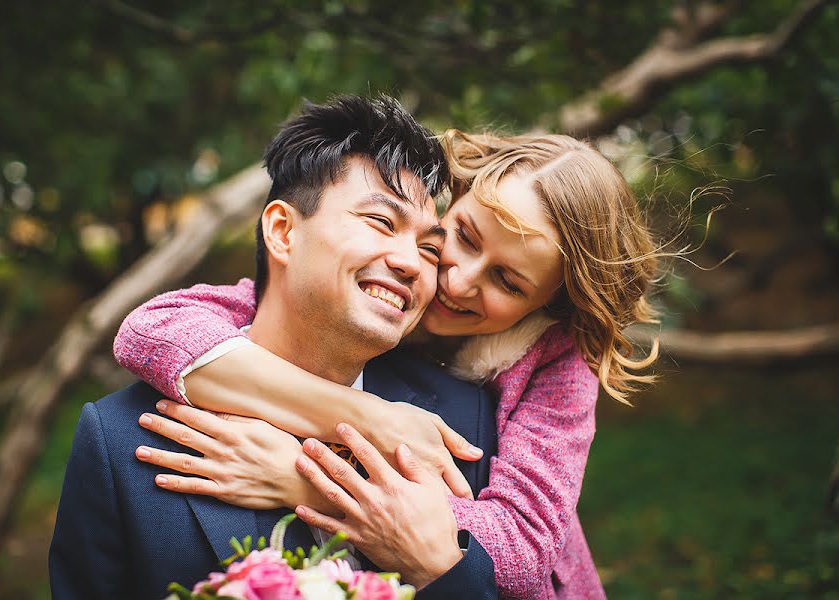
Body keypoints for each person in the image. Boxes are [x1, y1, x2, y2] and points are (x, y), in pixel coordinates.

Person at [114, 129, 663, 597]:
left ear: (547, 304)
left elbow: (520, 549)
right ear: (456, 197)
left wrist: (310, 483)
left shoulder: (556, 363)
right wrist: (368, 416)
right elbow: (153, 331)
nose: (458, 279)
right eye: (464, 237)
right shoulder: (388, 277)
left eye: (507, 281)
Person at [49, 95, 502, 599]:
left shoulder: (466, 422)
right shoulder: (119, 441)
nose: (411, 263)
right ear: (283, 232)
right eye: (381, 223)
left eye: (429, 249)